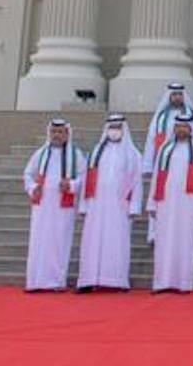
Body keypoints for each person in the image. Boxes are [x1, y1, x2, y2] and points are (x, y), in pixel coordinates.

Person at [147, 110, 193, 293]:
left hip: (190, 202)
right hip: (166, 202)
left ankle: (183, 283)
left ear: (191, 129)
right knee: (164, 242)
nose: (181, 130)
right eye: (178, 126)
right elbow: (157, 177)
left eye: (185, 127)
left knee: (186, 241)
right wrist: (151, 203)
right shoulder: (165, 149)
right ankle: (161, 282)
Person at [78, 114, 140, 291]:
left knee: (117, 242)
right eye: (112, 127)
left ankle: (117, 281)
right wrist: (84, 205)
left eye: (118, 127)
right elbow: (86, 178)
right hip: (96, 205)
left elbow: (136, 182)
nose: (114, 131)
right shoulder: (96, 152)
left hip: (120, 207)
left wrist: (134, 206)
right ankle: (89, 279)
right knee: (92, 241)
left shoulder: (132, 154)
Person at [23, 118, 84, 292]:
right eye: (54, 132)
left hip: (63, 207)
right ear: (49, 133)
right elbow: (28, 174)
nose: (56, 135)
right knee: (38, 242)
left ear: (67, 134)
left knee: (60, 242)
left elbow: (84, 177)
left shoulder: (76, 155)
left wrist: (71, 185)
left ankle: (56, 282)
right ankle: (35, 281)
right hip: (42, 206)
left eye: (60, 132)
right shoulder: (40, 154)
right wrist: (33, 188)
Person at [141, 82, 190, 174]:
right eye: (174, 94)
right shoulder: (161, 116)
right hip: (163, 155)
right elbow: (152, 139)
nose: (177, 97)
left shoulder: (190, 114)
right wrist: (148, 165)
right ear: (169, 96)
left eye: (180, 94)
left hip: (184, 154)